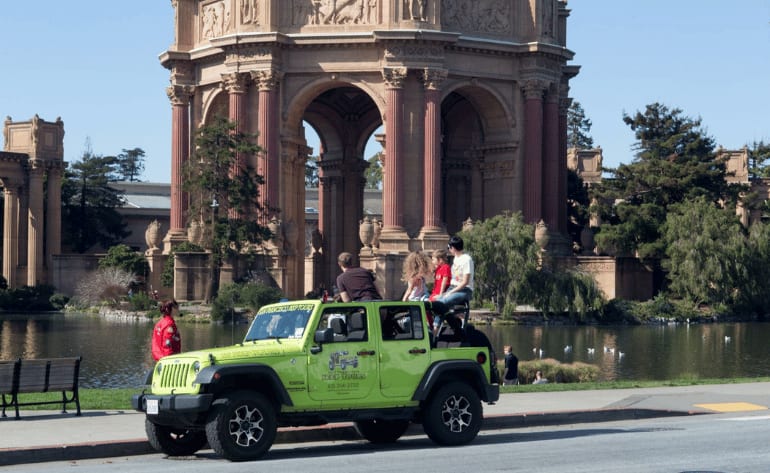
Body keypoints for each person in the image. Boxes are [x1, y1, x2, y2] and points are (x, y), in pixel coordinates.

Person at [437, 235, 474, 307]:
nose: (449, 250)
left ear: (453, 248)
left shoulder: (466, 259)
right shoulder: (456, 258)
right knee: (436, 302)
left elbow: (465, 282)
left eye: (449, 248)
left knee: (442, 302)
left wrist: (450, 292)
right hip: (452, 287)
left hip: (464, 289)